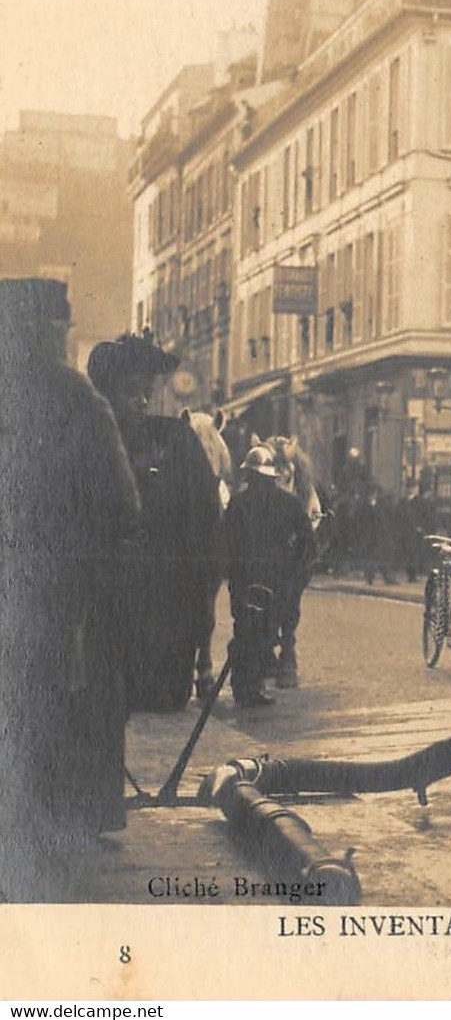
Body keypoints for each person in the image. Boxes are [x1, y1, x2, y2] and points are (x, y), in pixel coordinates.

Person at [0, 279, 142, 890]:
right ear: (51, 331)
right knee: (50, 702)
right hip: (53, 590)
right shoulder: (76, 398)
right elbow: (123, 503)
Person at [86, 330, 221, 711]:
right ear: (109, 393)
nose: (143, 401)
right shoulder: (93, 439)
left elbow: (204, 519)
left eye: (148, 391)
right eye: (133, 392)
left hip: (166, 612)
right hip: (113, 608)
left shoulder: (174, 440)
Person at [220, 446, 314, 707]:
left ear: (250, 475)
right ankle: (254, 684)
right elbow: (308, 542)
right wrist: (295, 574)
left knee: (243, 630)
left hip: (245, 580)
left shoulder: (237, 503)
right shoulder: (290, 503)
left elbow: (225, 542)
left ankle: (243, 685)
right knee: (265, 633)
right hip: (275, 581)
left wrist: (230, 574)